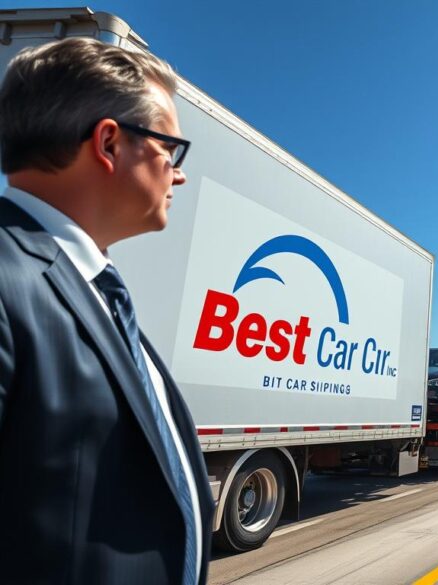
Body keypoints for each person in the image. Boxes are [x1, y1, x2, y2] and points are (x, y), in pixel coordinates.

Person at [0, 38, 212, 584]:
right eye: (171, 150)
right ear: (110, 143)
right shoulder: (8, 278)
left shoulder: (93, 292)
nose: (178, 174)